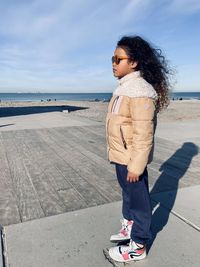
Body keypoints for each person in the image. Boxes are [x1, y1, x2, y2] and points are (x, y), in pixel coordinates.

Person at [106, 35, 171, 263]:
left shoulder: (140, 91)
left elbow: (144, 135)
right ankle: (129, 229)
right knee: (128, 196)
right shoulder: (124, 88)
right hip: (121, 155)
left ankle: (139, 245)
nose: (113, 63)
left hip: (132, 159)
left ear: (133, 62)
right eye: (112, 59)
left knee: (140, 202)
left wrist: (136, 165)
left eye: (118, 58)